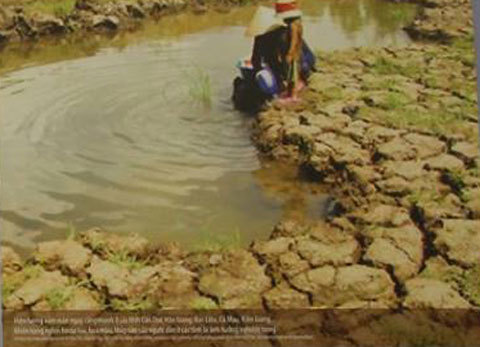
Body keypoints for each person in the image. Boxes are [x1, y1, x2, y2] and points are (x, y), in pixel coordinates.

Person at [275, 0, 304, 100]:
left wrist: (290, 53)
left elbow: (294, 41)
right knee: (289, 74)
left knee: (292, 74)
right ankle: (289, 92)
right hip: (291, 52)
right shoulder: (294, 23)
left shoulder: (293, 25)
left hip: (291, 53)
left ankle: (293, 95)